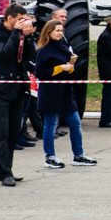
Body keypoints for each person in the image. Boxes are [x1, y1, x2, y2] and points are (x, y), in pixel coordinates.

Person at [0, 6, 34, 187]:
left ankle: (2, 169)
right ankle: (5, 172)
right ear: (9, 18)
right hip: (0, 89)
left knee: (13, 132)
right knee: (2, 132)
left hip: (18, 88)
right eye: (20, 19)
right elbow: (4, 53)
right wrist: (17, 33)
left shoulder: (20, 33)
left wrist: (28, 36)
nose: (23, 22)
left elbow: (29, 55)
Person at [34, 20, 93, 170]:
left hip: (65, 91)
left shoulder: (63, 46)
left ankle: (78, 155)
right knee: (50, 125)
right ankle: (49, 156)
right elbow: (40, 73)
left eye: (61, 30)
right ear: (49, 32)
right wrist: (61, 68)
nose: (60, 33)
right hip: (50, 92)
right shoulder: (43, 50)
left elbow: (69, 69)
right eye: (57, 30)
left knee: (75, 123)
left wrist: (70, 66)